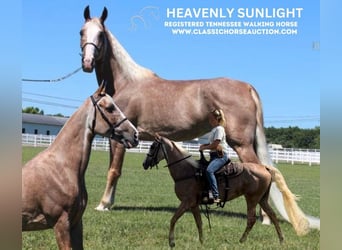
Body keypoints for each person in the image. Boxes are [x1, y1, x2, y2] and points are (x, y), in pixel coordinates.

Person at [199, 109, 229, 203]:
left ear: (217, 118)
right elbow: (211, 143)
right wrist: (204, 145)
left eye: (211, 119)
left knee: (209, 170)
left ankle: (215, 195)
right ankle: (205, 193)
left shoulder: (220, 129)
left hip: (220, 156)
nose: (210, 121)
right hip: (214, 156)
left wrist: (204, 148)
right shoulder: (214, 130)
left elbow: (215, 144)